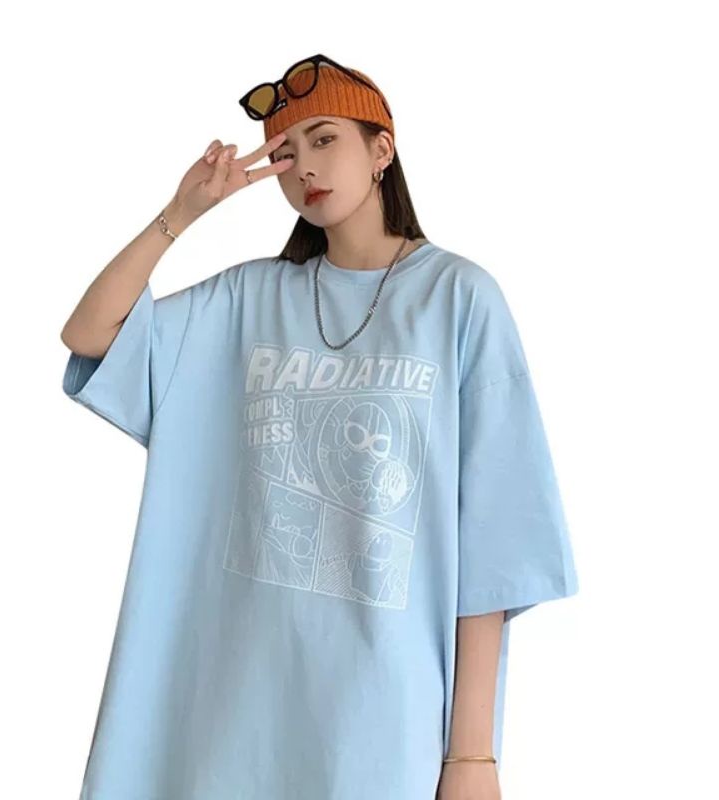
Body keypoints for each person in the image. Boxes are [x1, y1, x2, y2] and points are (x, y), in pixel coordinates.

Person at [60, 54, 579, 800]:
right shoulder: (246, 301)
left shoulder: (459, 299)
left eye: (325, 138)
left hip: (383, 721)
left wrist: (472, 756)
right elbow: (89, 334)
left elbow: (495, 541)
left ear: (381, 149)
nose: (304, 166)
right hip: (236, 713)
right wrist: (182, 213)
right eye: (286, 151)